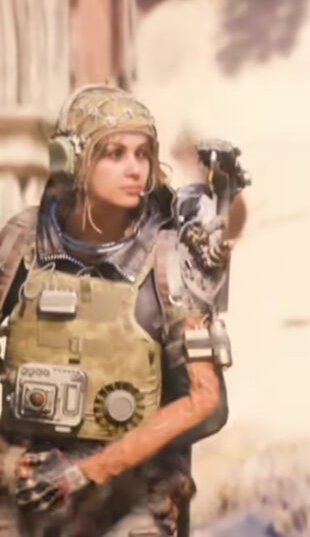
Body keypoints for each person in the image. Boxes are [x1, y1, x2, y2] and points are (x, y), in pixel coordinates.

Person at [0, 84, 233, 535]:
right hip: (27, 484)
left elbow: (206, 401)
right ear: (70, 160)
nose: (135, 169)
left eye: (143, 154)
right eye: (115, 153)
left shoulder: (169, 259)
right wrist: (9, 463)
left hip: (132, 491)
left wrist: (88, 470)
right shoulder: (23, 241)